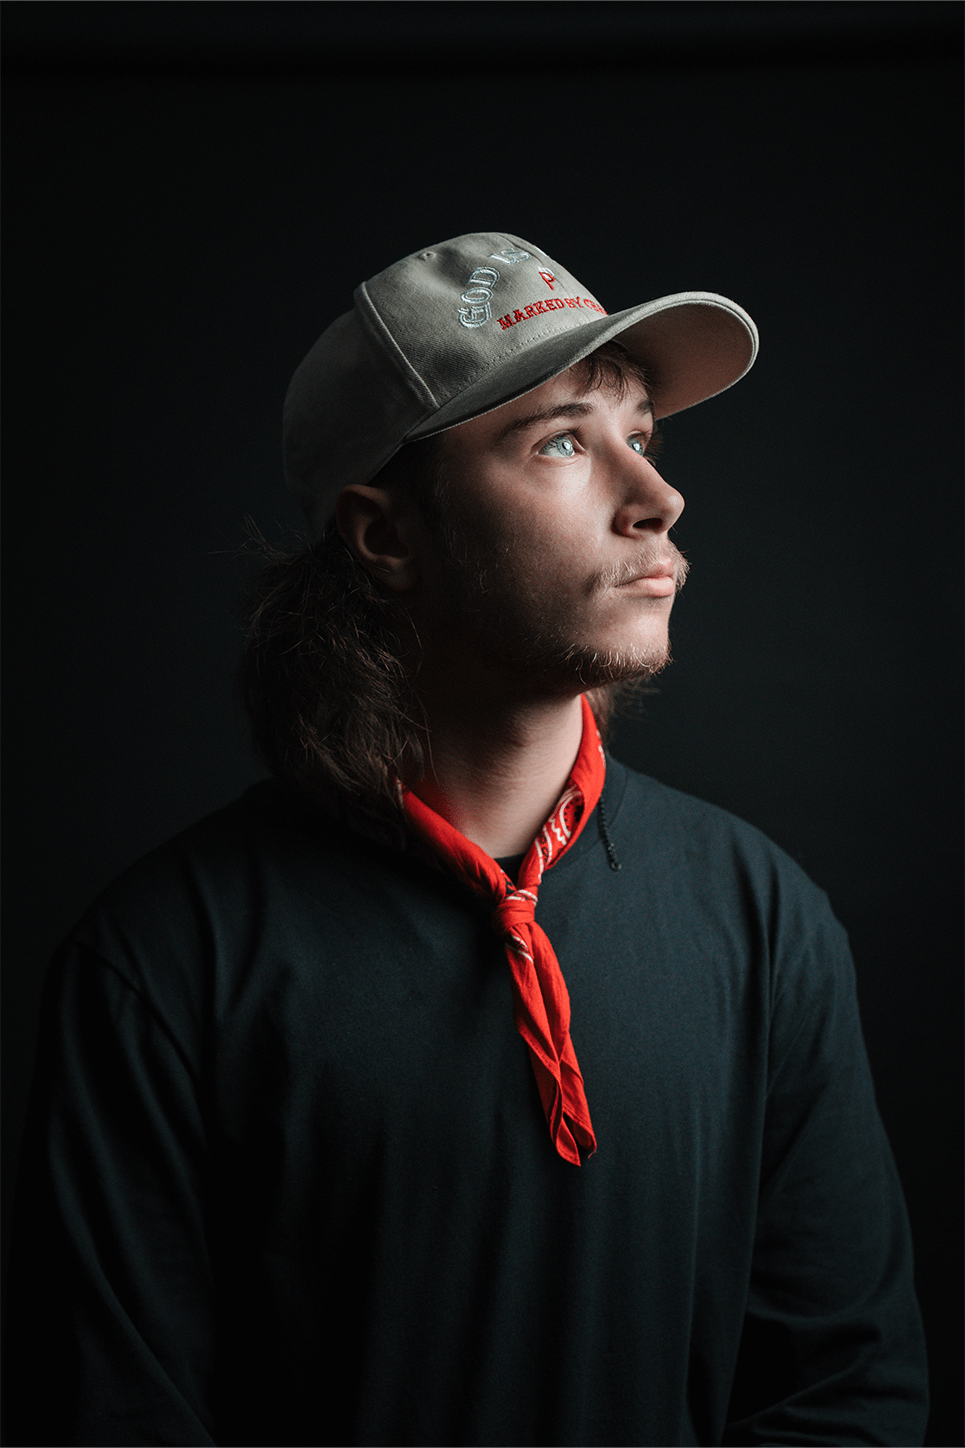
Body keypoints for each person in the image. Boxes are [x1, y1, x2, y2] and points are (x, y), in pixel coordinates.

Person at [5, 232, 928, 1446]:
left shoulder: (764, 917)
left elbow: (843, 1393)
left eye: (640, 437)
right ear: (385, 536)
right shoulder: (163, 963)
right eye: (559, 440)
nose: (655, 497)